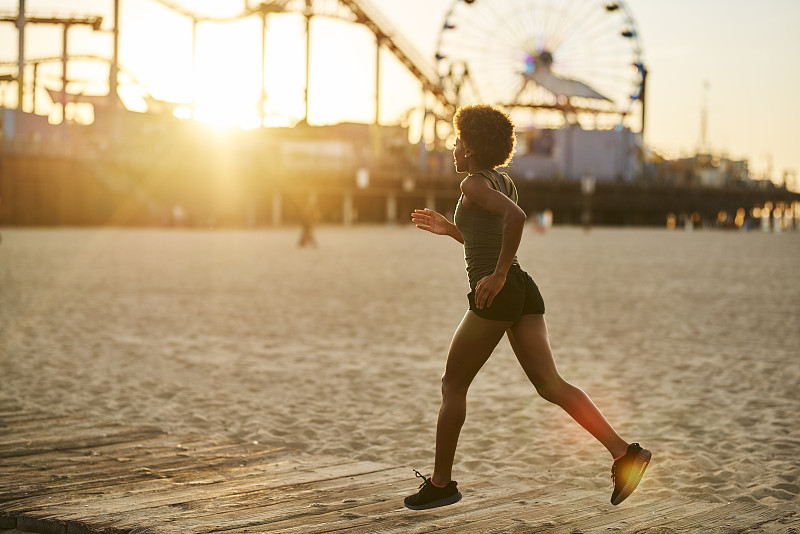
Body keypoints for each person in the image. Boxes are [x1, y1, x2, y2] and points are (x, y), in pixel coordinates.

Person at [404, 104, 650, 511]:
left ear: (473, 147)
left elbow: (516, 219)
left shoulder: (472, 186)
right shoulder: (502, 181)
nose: (453, 146)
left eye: (458, 140)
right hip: (523, 289)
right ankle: (625, 454)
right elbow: (488, 238)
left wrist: (498, 275)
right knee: (550, 384)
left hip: (502, 290)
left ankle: (442, 483)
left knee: (453, 385)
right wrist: (453, 230)